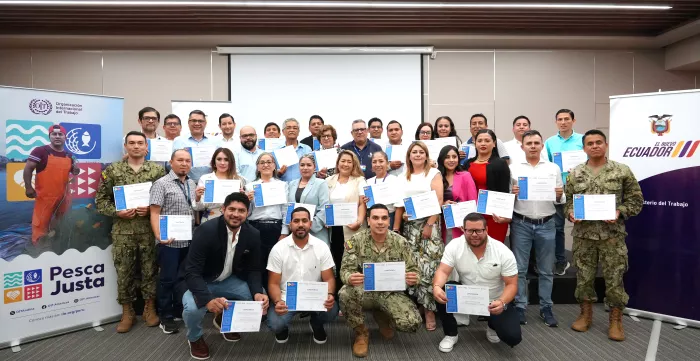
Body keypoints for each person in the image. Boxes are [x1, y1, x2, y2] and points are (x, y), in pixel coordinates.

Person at [565, 129, 643, 341]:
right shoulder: (575, 173)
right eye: (590, 143)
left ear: (605, 145)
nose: (595, 146)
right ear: (584, 148)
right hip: (583, 237)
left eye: (599, 142)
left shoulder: (622, 171)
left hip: (612, 236)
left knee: (615, 278)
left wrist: (620, 212)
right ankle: (585, 314)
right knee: (583, 278)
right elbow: (568, 202)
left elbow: (636, 200)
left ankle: (616, 320)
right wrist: (571, 213)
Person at [179, 192, 269, 359]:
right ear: (223, 209)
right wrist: (207, 300)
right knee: (192, 309)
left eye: (241, 210)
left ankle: (221, 319)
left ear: (247, 213)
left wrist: (258, 291)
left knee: (257, 298)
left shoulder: (253, 234)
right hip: (201, 280)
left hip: (227, 279)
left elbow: (254, 269)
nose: (236, 214)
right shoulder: (206, 231)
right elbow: (192, 272)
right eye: (232, 209)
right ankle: (195, 337)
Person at [95, 131, 165, 333]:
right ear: (125, 146)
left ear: (146, 147)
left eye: (140, 143)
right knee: (124, 272)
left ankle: (149, 309)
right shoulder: (114, 170)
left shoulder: (157, 171)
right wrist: (117, 212)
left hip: (149, 231)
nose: (136, 146)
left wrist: (151, 209)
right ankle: (127, 313)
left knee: (150, 271)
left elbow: (163, 200)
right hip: (122, 232)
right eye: (132, 143)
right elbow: (100, 201)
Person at [339, 204, 422, 358]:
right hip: (365, 291)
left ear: (389, 221)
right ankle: (361, 332)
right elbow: (345, 270)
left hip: (390, 293)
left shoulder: (400, 242)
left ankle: (381, 316)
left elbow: (415, 270)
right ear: (369, 221)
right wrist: (350, 277)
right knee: (345, 293)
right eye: (375, 218)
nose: (380, 222)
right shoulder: (356, 241)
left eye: (384, 218)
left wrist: (413, 278)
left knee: (412, 323)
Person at [432, 212, 521, 352]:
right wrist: (436, 286)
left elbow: (512, 284)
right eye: (470, 230)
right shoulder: (455, 245)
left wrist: (502, 302)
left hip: (495, 299)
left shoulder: (503, 251)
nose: (474, 234)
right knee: (441, 289)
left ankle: (492, 327)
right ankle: (451, 335)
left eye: (479, 230)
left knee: (513, 337)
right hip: (466, 295)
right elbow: (443, 271)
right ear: (463, 229)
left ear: (486, 230)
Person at [509, 130, 564, 327]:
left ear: (542, 146)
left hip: (546, 223)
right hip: (521, 223)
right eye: (529, 143)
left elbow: (560, 199)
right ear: (522, 146)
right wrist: (512, 192)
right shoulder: (513, 169)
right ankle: (520, 306)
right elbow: (507, 198)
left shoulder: (553, 168)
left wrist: (559, 194)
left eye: (536, 143)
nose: (533, 146)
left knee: (546, 270)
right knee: (520, 268)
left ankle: (546, 307)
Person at [267, 207, 338, 344]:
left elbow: (329, 278)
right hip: (286, 297)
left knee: (332, 310)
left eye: (304, 221)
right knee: (275, 324)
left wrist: (329, 294)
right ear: (290, 224)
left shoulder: (321, 246)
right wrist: (277, 301)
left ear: (310, 224)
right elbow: (273, 283)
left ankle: (316, 324)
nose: (300, 224)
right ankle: (283, 329)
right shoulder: (278, 249)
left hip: (315, 297)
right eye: (296, 221)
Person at [393, 141, 444, 331]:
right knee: (414, 267)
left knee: (429, 267)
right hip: (410, 228)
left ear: (426, 155)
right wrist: (396, 230)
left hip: (429, 226)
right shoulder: (402, 176)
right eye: (414, 152)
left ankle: (430, 310)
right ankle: (421, 304)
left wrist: (429, 224)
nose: (417, 155)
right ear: (409, 156)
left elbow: (438, 200)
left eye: (420, 152)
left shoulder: (433, 173)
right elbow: (399, 205)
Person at [149, 149, 197, 334]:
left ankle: (178, 310)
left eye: (187, 160)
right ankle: (165, 316)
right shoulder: (161, 184)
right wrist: (159, 236)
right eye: (180, 160)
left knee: (183, 278)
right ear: (171, 162)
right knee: (167, 279)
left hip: (188, 240)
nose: (184, 163)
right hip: (169, 241)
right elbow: (154, 212)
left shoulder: (192, 183)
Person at [24, 124, 79, 244]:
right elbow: (28, 168)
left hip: (64, 197)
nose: (57, 136)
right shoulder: (40, 151)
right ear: (50, 136)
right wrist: (28, 188)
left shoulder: (69, 155)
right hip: (45, 197)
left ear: (65, 137)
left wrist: (76, 170)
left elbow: (74, 171)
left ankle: (55, 239)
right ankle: (39, 247)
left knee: (62, 221)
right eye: (54, 134)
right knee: (40, 225)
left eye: (60, 134)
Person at [545, 109, 584, 276]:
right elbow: (547, 165)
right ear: (556, 122)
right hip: (559, 190)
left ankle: (584, 263)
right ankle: (561, 261)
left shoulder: (583, 139)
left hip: (581, 189)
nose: (563, 122)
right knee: (558, 228)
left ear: (573, 121)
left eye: (566, 119)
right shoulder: (550, 142)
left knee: (583, 225)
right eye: (559, 119)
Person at [244, 152, 289, 289]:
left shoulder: (282, 185)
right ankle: (258, 293)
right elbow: (247, 213)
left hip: (276, 228)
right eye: (262, 162)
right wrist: (248, 201)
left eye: (269, 162)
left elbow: (286, 209)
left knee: (276, 264)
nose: (266, 165)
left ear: (274, 166)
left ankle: (273, 295)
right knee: (256, 263)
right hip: (255, 227)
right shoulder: (250, 186)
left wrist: (284, 232)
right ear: (257, 167)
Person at [326, 150, 367, 290]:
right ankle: (339, 295)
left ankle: (354, 295)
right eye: (343, 161)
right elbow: (325, 204)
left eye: (349, 161)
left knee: (353, 261)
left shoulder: (359, 180)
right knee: (337, 259)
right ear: (338, 163)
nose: (346, 164)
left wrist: (359, 221)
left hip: (353, 226)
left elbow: (362, 203)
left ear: (354, 164)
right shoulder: (328, 180)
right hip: (334, 228)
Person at [463, 129, 511, 242]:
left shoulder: (500, 164)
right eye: (479, 141)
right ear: (475, 143)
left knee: (493, 250)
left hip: (493, 216)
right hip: (471, 215)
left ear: (494, 144)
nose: (483, 143)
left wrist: (505, 215)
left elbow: (505, 191)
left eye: (487, 140)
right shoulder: (467, 164)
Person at [279, 155, 330, 245]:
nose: (305, 168)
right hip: (296, 232)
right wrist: (287, 230)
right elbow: (288, 208)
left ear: (314, 167)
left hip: (316, 232)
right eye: (302, 165)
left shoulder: (321, 183)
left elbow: (324, 209)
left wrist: (308, 225)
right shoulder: (291, 184)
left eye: (309, 165)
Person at [193, 147, 247, 223]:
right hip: (210, 220)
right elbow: (199, 208)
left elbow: (242, 206)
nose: (222, 163)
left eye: (226, 159)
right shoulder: (205, 178)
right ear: (214, 162)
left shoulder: (238, 180)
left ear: (231, 162)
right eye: (219, 159)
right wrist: (198, 197)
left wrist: (242, 197)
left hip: (233, 220)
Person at [437, 145, 477, 242]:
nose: (451, 160)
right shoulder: (436, 176)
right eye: (447, 157)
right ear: (442, 159)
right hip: (440, 223)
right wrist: (443, 204)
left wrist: (470, 224)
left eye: (454, 157)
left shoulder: (465, 175)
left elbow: (473, 201)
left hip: (461, 223)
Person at [172, 110, 222, 182]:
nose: (197, 123)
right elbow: (174, 164)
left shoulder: (216, 141)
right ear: (188, 123)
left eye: (200, 121)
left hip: (211, 182)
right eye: (194, 121)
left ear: (205, 123)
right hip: (185, 182)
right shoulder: (178, 141)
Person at [365, 151, 399, 227]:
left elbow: (399, 206)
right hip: (373, 218)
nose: (377, 164)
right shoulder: (368, 182)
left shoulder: (395, 180)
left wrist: (396, 228)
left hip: (390, 217)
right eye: (374, 162)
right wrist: (365, 200)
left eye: (381, 161)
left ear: (387, 164)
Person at [277, 118, 312, 182]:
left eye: (295, 128)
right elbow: (272, 173)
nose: (292, 130)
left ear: (299, 131)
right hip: (283, 187)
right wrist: (279, 173)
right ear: (283, 131)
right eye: (288, 128)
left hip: (303, 187)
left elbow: (312, 170)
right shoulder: (277, 150)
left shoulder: (307, 149)